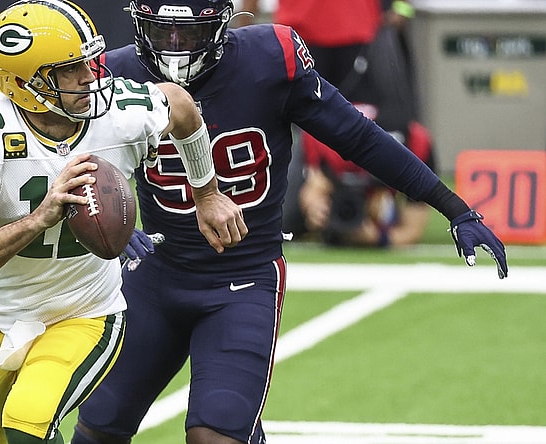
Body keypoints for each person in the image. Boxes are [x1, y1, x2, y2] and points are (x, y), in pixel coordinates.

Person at [73, 1, 508, 444]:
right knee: (97, 428)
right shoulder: (115, 74)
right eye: (162, 32)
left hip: (242, 278)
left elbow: (358, 137)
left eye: (190, 34)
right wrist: (111, 218)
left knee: (215, 435)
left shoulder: (267, 61)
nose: (175, 47)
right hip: (155, 275)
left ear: (221, 25)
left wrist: (452, 205)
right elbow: (68, 159)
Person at [0, 1, 246, 443]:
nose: (90, 77)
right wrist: (39, 219)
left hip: (84, 311)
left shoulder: (122, 113)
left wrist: (206, 192)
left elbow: (182, 106)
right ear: (24, 84)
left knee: (27, 424)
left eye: (90, 62)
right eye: (70, 70)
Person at [298, 109, 435, 248]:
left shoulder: (416, 144)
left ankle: (384, 210)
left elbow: (412, 229)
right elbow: (314, 187)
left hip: (384, 190)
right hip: (330, 165)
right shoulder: (325, 140)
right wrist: (314, 208)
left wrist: (379, 238)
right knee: (290, 221)